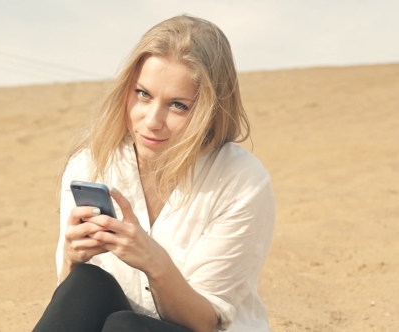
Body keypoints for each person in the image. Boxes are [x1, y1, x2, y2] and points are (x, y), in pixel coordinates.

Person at [33, 14, 275, 332]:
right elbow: (72, 309)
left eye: (178, 105)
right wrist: (71, 258)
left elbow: (204, 322)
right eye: (143, 94)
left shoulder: (241, 181)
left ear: (210, 110)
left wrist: (154, 262)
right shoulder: (90, 164)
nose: (152, 120)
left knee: (126, 327)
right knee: (87, 283)